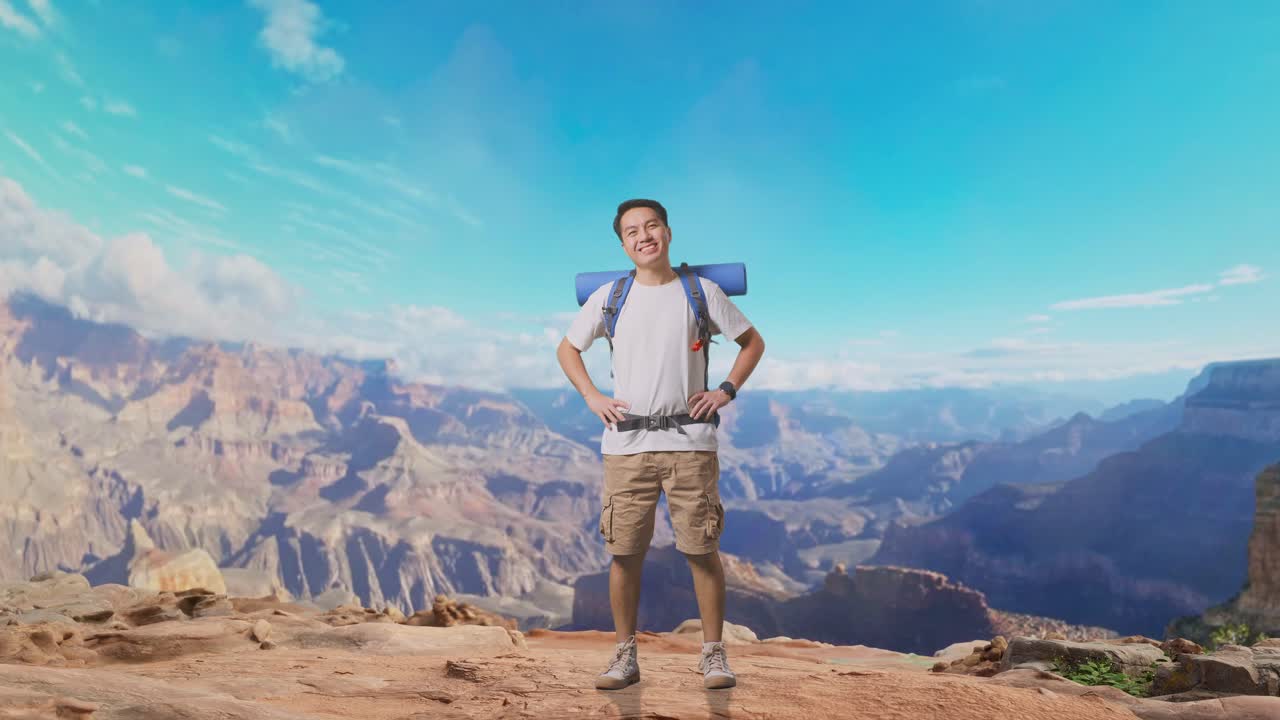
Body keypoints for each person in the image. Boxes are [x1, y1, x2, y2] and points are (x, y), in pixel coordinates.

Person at [556, 198, 766, 690]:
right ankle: (625, 657)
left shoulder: (702, 291)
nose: (643, 235)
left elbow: (752, 342)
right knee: (624, 553)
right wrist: (591, 396)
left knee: (701, 549)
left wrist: (725, 391)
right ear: (623, 243)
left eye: (651, 226)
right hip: (627, 446)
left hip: (691, 443)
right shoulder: (610, 296)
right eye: (632, 231)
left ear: (668, 233)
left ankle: (714, 656)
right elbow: (568, 348)